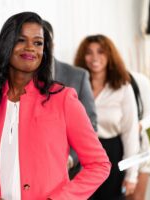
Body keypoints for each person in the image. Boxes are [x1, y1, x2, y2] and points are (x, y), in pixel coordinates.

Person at [0, 12, 111, 200]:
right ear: (6, 44)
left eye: (38, 43)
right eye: (21, 40)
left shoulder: (63, 99)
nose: (30, 48)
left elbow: (99, 164)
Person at [74, 34, 140, 200]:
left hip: (113, 155)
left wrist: (131, 175)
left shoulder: (123, 88)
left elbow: (130, 133)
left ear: (110, 55)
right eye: (89, 52)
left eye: (101, 52)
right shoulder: (74, 86)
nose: (94, 57)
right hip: (81, 155)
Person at [43, 20, 97, 179]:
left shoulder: (78, 76)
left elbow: (90, 123)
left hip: (69, 172)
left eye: (44, 41)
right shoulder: (20, 78)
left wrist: (71, 158)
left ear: (52, 43)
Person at [127, 71, 150, 200]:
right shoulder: (90, 80)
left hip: (139, 150)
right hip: (110, 152)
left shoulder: (138, 80)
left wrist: (139, 126)